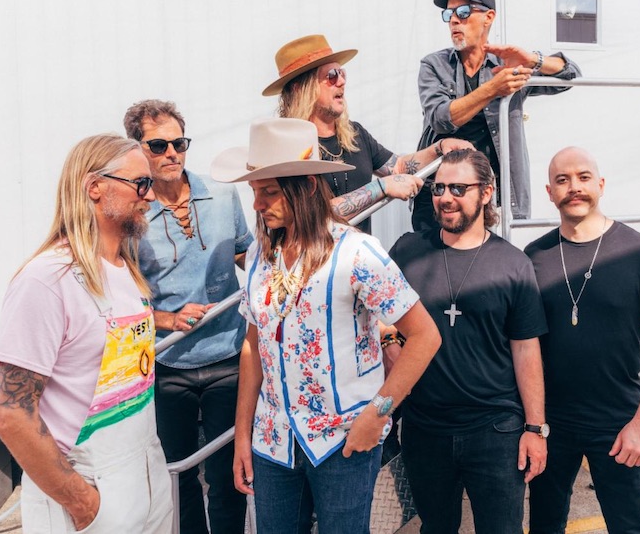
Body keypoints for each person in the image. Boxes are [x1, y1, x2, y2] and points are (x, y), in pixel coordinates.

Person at [210, 117, 441, 533]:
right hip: (273, 443)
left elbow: (426, 336)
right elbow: (253, 345)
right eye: (254, 192)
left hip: (345, 440)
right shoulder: (262, 256)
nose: (258, 205)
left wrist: (378, 414)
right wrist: (242, 436)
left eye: (268, 192)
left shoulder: (358, 253)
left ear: (306, 188)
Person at [0, 134, 173, 533]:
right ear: (95, 187)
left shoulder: (126, 270)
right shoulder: (46, 279)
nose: (151, 197)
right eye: (141, 184)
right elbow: (11, 416)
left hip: (147, 475)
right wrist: (83, 503)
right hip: (92, 491)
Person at [388, 148, 549, 533]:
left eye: (459, 188)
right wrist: (388, 341)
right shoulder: (407, 251)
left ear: (487, 192)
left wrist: (535, 429)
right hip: (425, 427)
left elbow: (526, 350)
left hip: (495, 429)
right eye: (438, 188)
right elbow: (373, 314)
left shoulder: (513, 264)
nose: (445, 197)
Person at [525, 147, 640, 534]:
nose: (573, 187)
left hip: (619, 421)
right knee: (544, 524)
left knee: (629, 526)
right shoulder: (534, 257)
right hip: (551, 422)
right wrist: (532, 425)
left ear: (601, 184)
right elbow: (522, 344)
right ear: (549, 191)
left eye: (582, 177)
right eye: (562, 180)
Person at [123, 100, 252, 534]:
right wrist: (165, 318)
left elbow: (246, 255)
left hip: (228, 357)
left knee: (227, 477)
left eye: (179, 142)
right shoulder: (132, 216)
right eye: (158, 145)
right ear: (138, 149)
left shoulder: (222, 194)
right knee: (178, 477)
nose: (172, 153)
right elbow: (122, 296)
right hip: (168, 365)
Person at [412, 0, 582, 231]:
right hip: (441, 193)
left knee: (492, 265)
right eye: (450, 14)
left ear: (488, 17)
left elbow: (571, 76)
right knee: (438, 266)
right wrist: (493, 89)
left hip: (492, 196)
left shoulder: (507, 66)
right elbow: (440, 118)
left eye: (464, 11)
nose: (455, 20)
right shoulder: (434, 65)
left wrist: (532, 59)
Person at [264, 34, 471, 234]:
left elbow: (397, 168)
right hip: (312, 264)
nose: (341, 81)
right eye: (331, 76)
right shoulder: (287, 146)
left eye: (342, 73)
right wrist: (379, 188)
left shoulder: (354, 134)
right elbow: (310, 215)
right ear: (302, 89)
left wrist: (439, 147)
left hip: (356, 263)